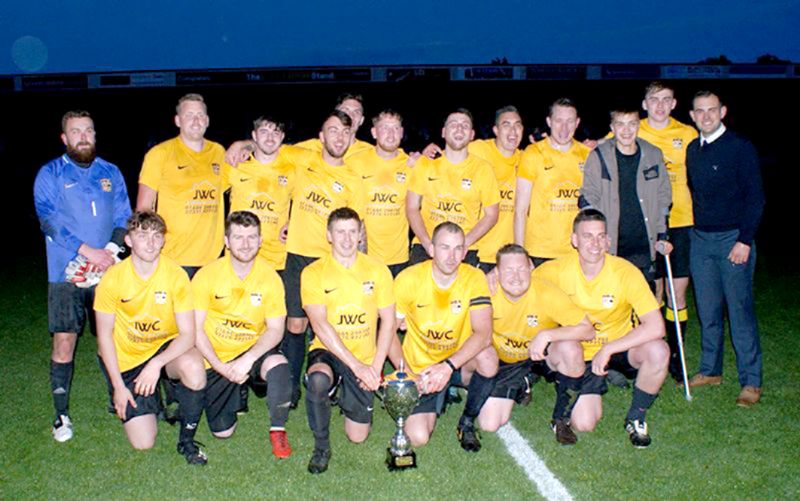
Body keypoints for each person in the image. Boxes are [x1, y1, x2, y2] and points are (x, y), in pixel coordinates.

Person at [33, 110, 132, 442]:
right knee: (64, 341)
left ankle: (117, 399)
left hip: (107, 269)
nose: (83, 136)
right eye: (76, 131)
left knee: (113, 339)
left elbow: (123, 215)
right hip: (66, 273)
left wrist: (111, 251)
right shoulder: (50, 173)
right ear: (64, 138)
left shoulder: (110, 171)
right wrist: (86, 251)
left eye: (88, 130)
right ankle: (61, 415)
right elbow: (48, 219)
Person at [534, 209, 669, 448]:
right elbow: (518, 282)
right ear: (574, 240)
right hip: (576, 352)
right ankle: (568, 399)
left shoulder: (625, 272)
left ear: (608, 240)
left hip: (616, 347)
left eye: (600, 236)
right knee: (584, 424)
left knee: (659, 351)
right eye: (587, 236)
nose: (595, 243)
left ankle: (636, 416)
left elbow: (657, 326)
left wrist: (609, 349)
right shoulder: (555, 270)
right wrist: (493, 276)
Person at [94, 211, 208, 464]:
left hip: (164, 351)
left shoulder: (176, 275)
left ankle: (187, 441)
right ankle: (152, 396)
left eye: (157, 236)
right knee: (143, 443)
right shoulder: (112, 278)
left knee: (193, 366)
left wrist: (156, 364)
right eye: (142, 235)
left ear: (164, 241)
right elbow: (104, 338)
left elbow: (188, 335)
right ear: (129, 241)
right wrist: (118, 387)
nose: (151, 242)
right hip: (129, 359)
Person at [300, 208, 395, 474]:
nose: (346, 238)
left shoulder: (377, 270)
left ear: (360, 234)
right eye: (340, 232)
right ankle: (321, 446)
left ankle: (346, 395)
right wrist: (357, 367)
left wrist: (375, 368)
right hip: (329, 350)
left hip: (365, 356)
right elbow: (320, 324)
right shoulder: (313, 272)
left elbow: (388, 321)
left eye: (352, 231)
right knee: (318, 379)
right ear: (329, 235)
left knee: (358, 436)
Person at [685, 91, 765, 407]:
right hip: (700, 241)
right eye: (700, 111)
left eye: (712, 110)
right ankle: (710, 370)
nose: (706, 116)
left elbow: (756, 198)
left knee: (740, 312)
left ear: (723, 111)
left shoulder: (740, 148)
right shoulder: (693, 149)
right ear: (692, 115)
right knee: (708, 311)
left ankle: (751, 381)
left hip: (733, 240)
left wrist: (744, 240)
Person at [282, 111, 366, 408]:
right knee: (295, 324)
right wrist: (241, 145)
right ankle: (291, 388)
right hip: (298, 256)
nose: (339, 137)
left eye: (345, 132)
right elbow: (267, 150)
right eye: (333, 131)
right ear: (321, 136)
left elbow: (357, 228)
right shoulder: (301, 160)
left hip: (330, 262)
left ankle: (328, 379)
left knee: (329, 325)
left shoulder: (354, 180)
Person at [192, 211, 292, 458]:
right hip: (216, 356)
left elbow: (276, 329)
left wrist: (248, 359)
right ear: (226, 241)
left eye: (251, 237)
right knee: (222, 433)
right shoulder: (207, 274)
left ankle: (278, 429)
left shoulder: (270, 278)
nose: (245, 244)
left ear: (260, 241)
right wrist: (218, 365)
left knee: (278, 364)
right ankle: (236, 389)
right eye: (238, 237)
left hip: (252, 351)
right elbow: (194, 328)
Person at [391, 222, 498, 452]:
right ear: (431, 249)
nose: (452, 256)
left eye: (458, 248)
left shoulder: (474, 277)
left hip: (457, 362)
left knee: (488, 357)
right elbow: (389, 333)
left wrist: (448, 366)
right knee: (418, 437)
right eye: (445, 247)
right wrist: (409, 374)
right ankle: (438, 396)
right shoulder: (409, 279)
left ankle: (467, 421)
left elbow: (484, 333)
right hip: (423, 368)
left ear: (465, 251)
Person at [478, 244, 593, 445]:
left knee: (571, 349)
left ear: (531, 267)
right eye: (508, 270)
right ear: (496, 272)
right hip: (507, 361)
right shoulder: (486, 291)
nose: (516, 276)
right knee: (489, 423)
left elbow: (588, 330)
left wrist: (547, 335)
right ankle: (522, 383)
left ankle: (561, 419)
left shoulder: (546, 292)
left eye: (521, 268)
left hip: (541, 355)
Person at [636, 82, 699, 381]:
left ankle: (676, 354)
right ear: (645, 104)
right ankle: (651, 351)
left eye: (666, 100)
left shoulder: (687, 134)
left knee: (677, 292)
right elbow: (600, 146)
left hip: (680, 222)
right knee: (653, 292)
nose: (660, 105)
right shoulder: (634, 129)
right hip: (646, 224)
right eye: (654, 100)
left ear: (674, 104)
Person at [579, 107, 672, 288]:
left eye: (631, 124)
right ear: (612, 128)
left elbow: (664, 196)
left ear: (638, 125)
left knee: (645, 299)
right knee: (611, 300)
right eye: (620, 124)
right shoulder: (598, 156)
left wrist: (662, 234)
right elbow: (588, 199)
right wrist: (598, 238)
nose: (626, 130)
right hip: (611, 244)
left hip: (644, 243)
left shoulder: (653, 154)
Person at [136, 93, 227, 278]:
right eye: (189, 115)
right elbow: (143, 210)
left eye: (200, 115)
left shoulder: (218, 152)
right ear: (178, 121)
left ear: (207, 120)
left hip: (212, 261)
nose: (196, 120)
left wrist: (244, 145)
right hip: (173, 260)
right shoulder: (160, 153)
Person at [406, 109, 500, 267]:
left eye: (465, 125)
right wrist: (427, 243)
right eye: (453, 124)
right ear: (443, 132)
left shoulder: (483, 169)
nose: (459, 129)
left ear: (471, 134)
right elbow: (411, 207)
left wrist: (464, 244)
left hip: (465, 251)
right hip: (425, 248)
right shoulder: (425, 164)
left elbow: (492, 214)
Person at [515, 98, 592, 266]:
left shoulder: (587, 155)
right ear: (549, 122)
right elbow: (520, 210)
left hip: (576, 252)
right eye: (558, 121)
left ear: (577, 123)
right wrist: (520, 254)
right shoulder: (533, 153)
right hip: (539, 252)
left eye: (570, 121)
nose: (564, 128)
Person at [225, 116, 307, 272]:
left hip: (276, 259)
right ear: (254, 136)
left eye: (275, 132)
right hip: (237, 257)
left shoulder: (292, 170)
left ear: (282, 137)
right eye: (264, 131)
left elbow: (305, 203)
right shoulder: (236, 164)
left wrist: (293, 222)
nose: (270, 138)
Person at [347, 109, 411, 276]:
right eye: (384, 128)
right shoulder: (354, 162)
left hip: (399, 259)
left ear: (402, 132)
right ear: (374, 132)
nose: (391, 134)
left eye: (396, 128)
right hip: (362, 257)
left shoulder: (412, 165)